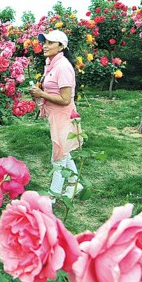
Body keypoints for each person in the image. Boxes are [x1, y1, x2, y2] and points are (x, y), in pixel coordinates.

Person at [29, 30, 83, 199]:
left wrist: (42, 94)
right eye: (44, 42)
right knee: (64, 152)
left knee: (58, 157)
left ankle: (54, 195)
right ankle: (76, 184)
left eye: (50, 42)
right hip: (55, 115)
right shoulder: (50, 63)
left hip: (63, 115)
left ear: (61, 46)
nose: (45, 45)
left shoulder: (63, 67)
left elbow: (66, 99)